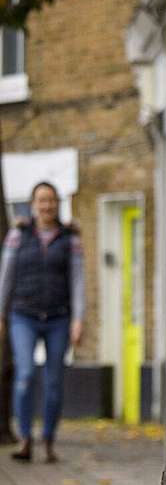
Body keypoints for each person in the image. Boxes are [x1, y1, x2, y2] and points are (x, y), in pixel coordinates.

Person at [0, 181, 84, 463]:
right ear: (33, 204)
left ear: (56, 204)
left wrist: (78, 320)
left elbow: (77, 280)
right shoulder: (18, 235)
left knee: (54, 381)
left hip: (59, 317)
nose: (46, 205)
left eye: (51, 200)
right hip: (22, 315)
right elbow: (6, 277)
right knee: (24, 375)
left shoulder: (70, 238)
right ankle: (25, 439)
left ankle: (48, 439)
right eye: (41, 200)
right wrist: (1, 314)